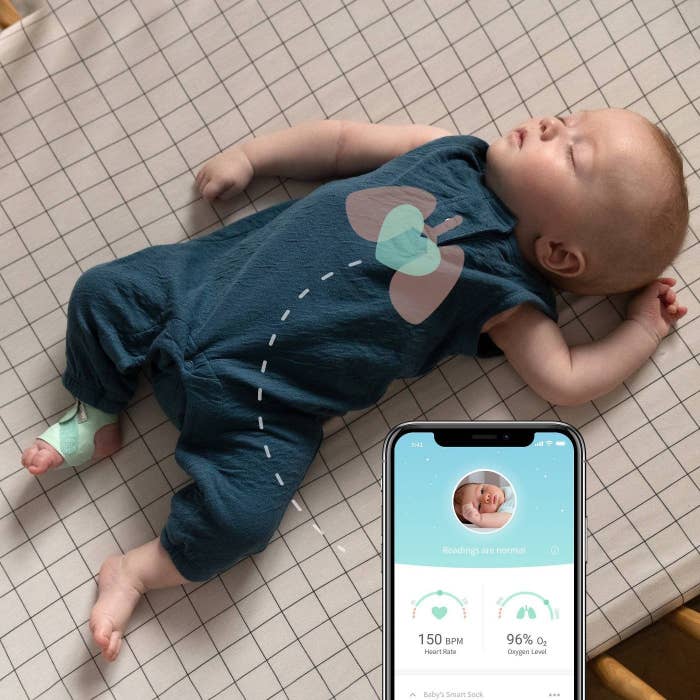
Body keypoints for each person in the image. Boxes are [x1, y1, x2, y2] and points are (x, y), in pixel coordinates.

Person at [20, 108, 689, 661]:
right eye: (566, 119)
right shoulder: (448, 151)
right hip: (194, 288)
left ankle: (136, 569)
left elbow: (565, 379)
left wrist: (642, 330)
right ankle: (97, 410)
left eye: (573, 154)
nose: (549, 126)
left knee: (242, 518)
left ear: (560, 255)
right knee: (102, 293)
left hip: (262, 402)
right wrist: (256, 157)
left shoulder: (510, 297)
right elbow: (342, 143)